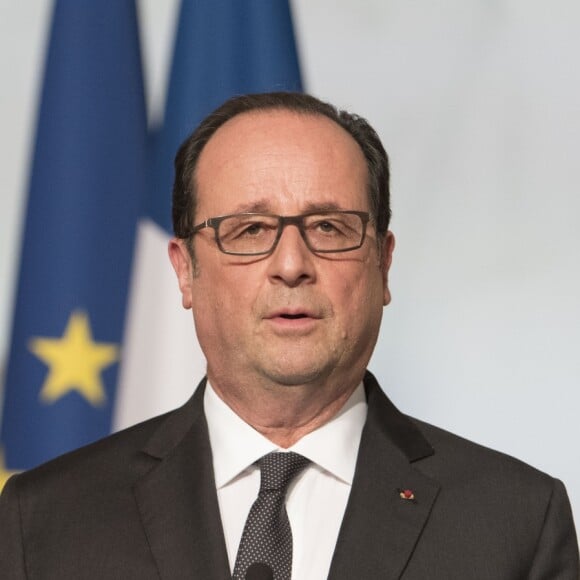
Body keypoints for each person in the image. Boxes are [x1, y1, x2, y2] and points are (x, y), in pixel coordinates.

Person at [0, 92, 577, 579]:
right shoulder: (45, 520)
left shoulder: (516, 521)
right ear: (184, 271)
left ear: (383, 264)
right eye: (249, 230)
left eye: (330, 226)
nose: (292, 264)